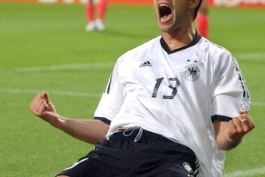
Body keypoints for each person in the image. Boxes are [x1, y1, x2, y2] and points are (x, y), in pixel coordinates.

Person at [30, 0, 255, 176]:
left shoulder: (218, 59)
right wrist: (59, 120)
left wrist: (234, 135)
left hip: (174, 155)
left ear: (193, 2)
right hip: (119, 147)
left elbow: (223, 137)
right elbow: (104, 128)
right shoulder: (130, 59)